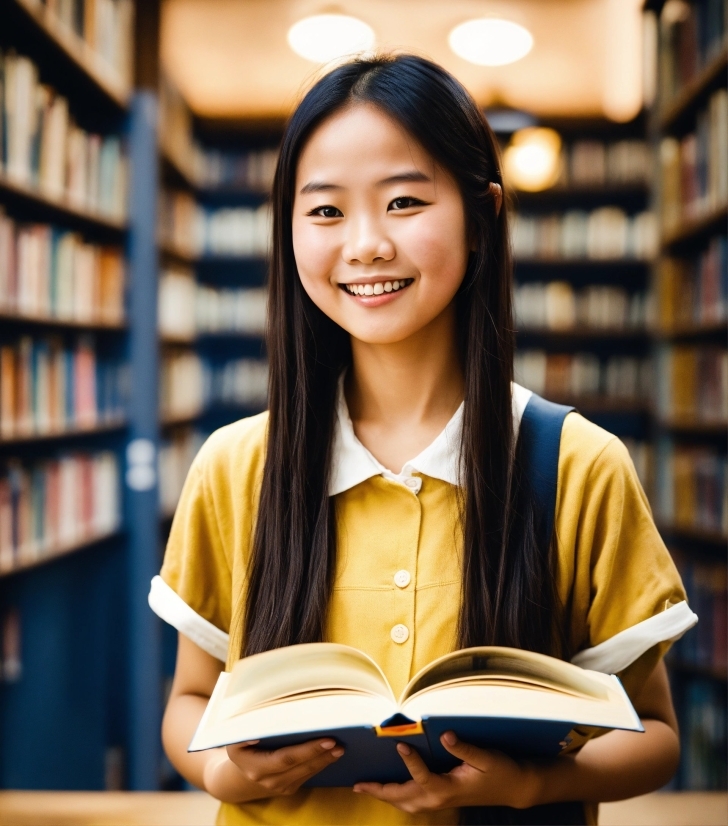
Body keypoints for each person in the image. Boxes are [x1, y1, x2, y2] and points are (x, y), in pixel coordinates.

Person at [149, 54, 696, 826]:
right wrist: (229, 776)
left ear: (483, 215)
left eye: (404, 201)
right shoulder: (237, 466)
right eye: (327, 211)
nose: (366, 245)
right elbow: (190, 703)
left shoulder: (578, 464)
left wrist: (531, 786)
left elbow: (658, 738)